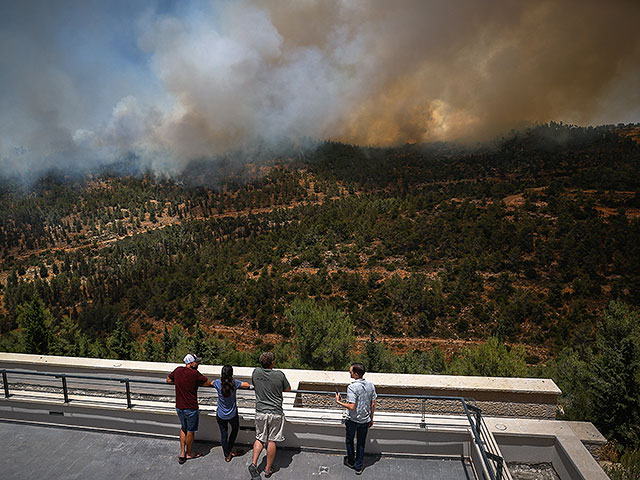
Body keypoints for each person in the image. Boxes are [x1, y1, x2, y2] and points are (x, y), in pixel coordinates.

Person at [248, 352, 291, 479]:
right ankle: (267, 469)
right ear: (272, 362)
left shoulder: (256, 372)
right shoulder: (279, 375)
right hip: (275, 412)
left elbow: (256, 385)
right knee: (271, 440)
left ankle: (254, 464)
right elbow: (288, 389)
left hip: (260, 411)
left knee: (259, 438)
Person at [167, 353, 211, 464]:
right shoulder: (195, 374)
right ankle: (189, 453)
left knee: (183, 428)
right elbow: (207, 382)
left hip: (179, 407)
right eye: (196, 362)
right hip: (191, 407)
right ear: (191, 363)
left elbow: (168, 380)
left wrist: (178, 382)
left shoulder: (177, 370)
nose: (198, 364)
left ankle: (182, 453)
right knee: (190, 430)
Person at [335, 362, 377, 475]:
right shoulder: (371, 385)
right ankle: (358, 467)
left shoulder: (352, 387)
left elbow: (352, 406)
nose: (350, 373)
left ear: (356, 374)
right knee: (361, 443)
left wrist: (339, 401)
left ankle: (351, 461)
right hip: (365, 420)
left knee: (349, 440)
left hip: (353, 420)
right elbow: (372, 404)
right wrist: (371, 418)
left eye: (351, 372)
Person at [212, 364, 252, 462]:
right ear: (231, 374)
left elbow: (211, 382)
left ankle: (227, 454)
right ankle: (230, 448)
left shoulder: (217, 383)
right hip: (232, 415)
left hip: (220, 415)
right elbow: (246, 385)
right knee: (235, 429)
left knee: (223, 435)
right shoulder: (235, 383)